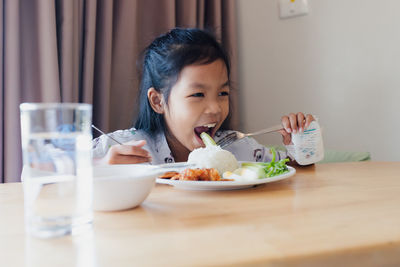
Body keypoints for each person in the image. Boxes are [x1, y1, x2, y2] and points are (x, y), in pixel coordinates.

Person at [92, 28, 315, 165]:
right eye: (198, 94)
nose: (215, 108)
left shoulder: (239, 149)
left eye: (222, 93)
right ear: (158, 101)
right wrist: (99, 166)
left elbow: (288, 173)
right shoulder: (128, 147)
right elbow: (57, 168)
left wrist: (299, 144)